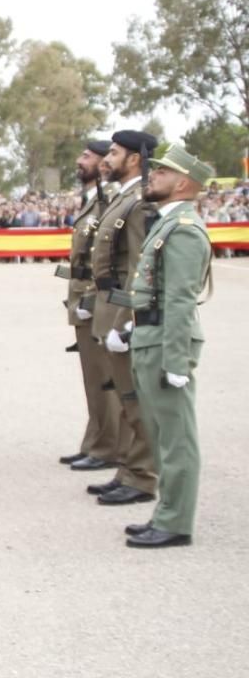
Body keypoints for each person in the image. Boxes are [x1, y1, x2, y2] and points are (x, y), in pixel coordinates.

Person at [125, 145, 213, 548]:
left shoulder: (184, 230)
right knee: (162, 435)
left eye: (162, 172)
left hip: (165, 342)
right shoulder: (166, 224)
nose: (152, 176)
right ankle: (166, 512)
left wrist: (176, 360)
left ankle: (176, 522)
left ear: (182, 184)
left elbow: (179, 299)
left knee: (177, 438)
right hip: (150, 337)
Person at [87, 130, 158, 506]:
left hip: (123, 311)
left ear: (134, 158)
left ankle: (143, 477)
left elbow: (139, 265)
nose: (106, 159)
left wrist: (130, 319)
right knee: (126, 398)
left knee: (136, 399)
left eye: (114, 153)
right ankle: (129, 469)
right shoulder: (122, 197)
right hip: (108, 308)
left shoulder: (140, 201)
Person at [57, 140, 122, 472]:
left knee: (103, 379)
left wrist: (93, 298)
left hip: (95, 302)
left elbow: (109, 259)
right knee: (92, 380)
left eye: (88, 156)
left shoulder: (110, 199)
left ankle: (108, 447)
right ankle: (95, 441)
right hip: (82, 300)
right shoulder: (92, 198)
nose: (80, 160)